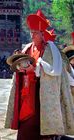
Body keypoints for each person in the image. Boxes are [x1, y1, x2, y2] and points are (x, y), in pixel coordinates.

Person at [5, 9, 74, 140]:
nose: (32, 36)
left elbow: (54, 72)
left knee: (41, 132)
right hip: (26, 97)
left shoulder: (51, 51)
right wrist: (20, 69)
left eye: (35, 33)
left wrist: (36, 69)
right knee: (25, 131)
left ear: (43, 34)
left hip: (41, 99)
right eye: (31, 33)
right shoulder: (27, 48)